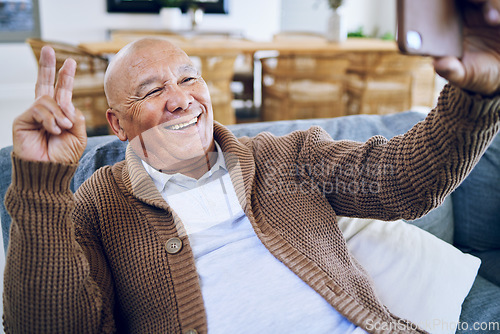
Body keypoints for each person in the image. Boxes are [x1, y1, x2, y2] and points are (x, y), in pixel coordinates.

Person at [3, 0, 500, 333]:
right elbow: (52, 325)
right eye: (153, 91)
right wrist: (42, 186)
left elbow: (405, 180)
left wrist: (477, 93)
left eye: (188, 78)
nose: (181, 100)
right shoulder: (98, 203)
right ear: (117, 123)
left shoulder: (284, 159)